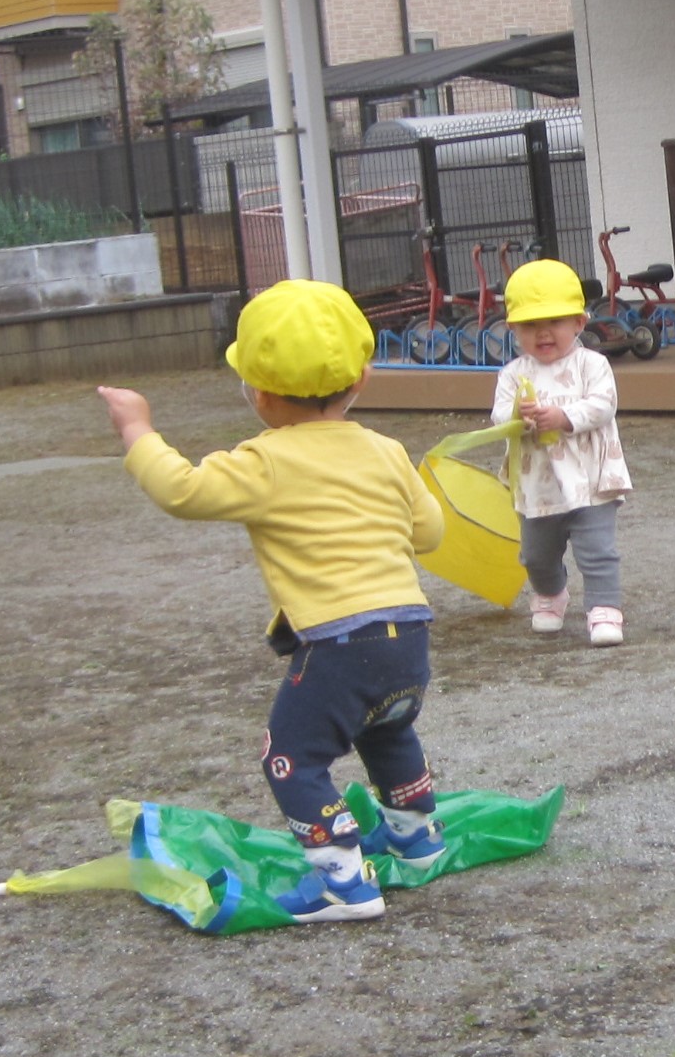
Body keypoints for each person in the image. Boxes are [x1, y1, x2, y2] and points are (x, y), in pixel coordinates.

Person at [96, 280, 449, 922]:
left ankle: (343, 880)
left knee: (291, 757)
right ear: (362, 378)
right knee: (388, 728)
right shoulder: (389, 451)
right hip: (410, 631)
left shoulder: (264, 461)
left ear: (257, 393)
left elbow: (182, 490)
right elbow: (429, 533)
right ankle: (417, 839)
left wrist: (137, 428)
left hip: (339, 642)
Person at [492, 260, 633, 646]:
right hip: (537, 483)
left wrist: (563, 417)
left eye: (555, 322)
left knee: (597, 550)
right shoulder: (513, 374)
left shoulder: (592, 364)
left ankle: (604, 607)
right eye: (529, 325)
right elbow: (499, 415)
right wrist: (518, 417)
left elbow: (603, 405)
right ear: (513, 329)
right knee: (536, 554)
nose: (543, 333)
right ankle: (551, 593)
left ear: (579, 323)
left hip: (591, 479)